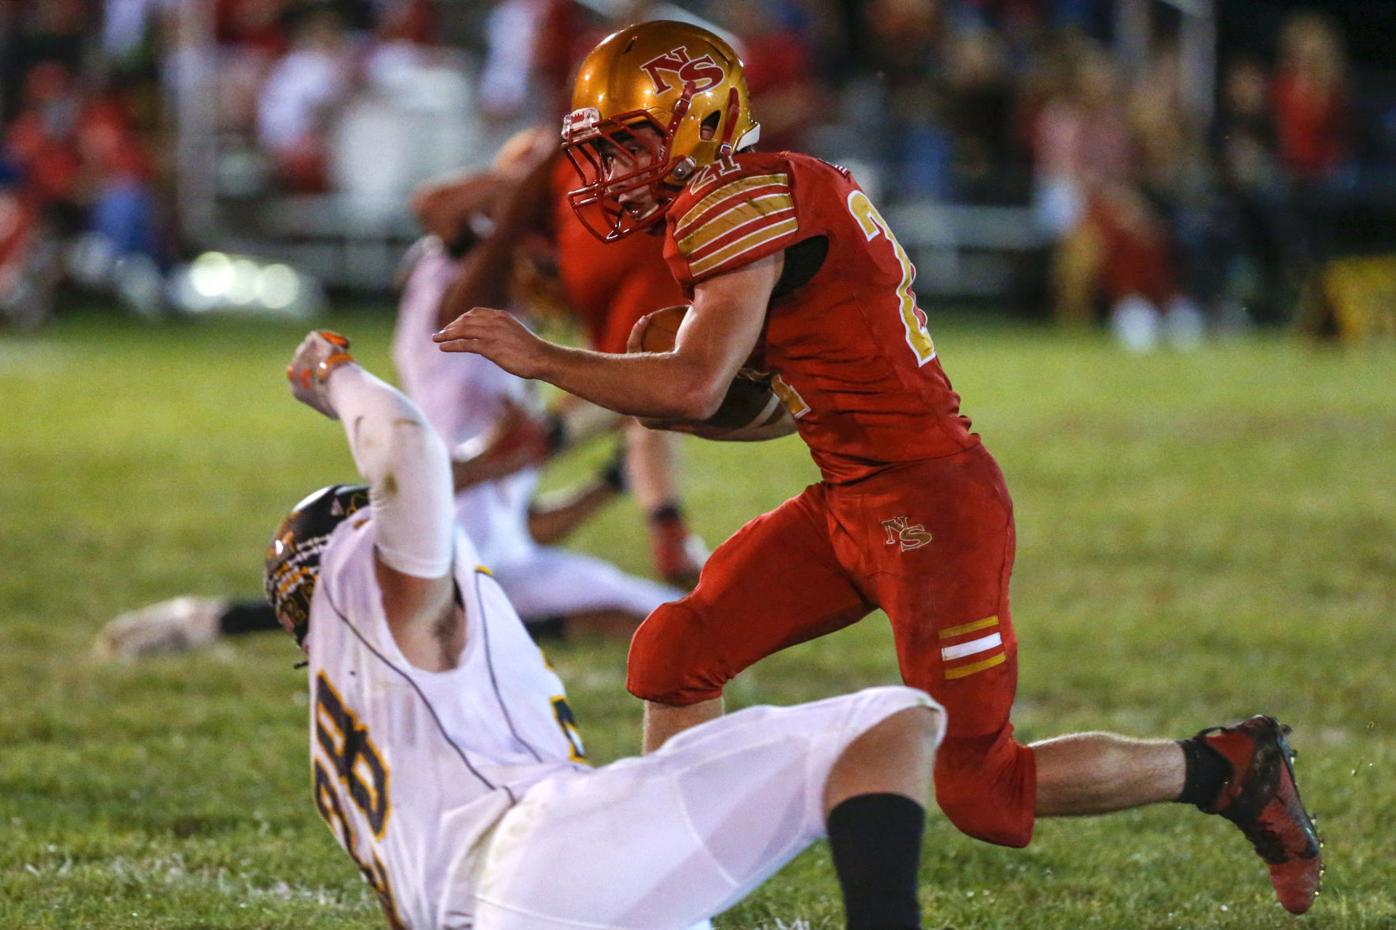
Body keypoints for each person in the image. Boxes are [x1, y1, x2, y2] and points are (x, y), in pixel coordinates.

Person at [433, 19, 1323, 914]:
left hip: (933, 508)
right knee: (676, 651)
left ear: (698, 121)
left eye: (631, 142)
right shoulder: (759, 192)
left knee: (983, 791)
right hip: (852, 498)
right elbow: (767, 409)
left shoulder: (735, 202)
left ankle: (1226, 768)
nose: (615, 169)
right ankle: (672, 893)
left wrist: (542, 357)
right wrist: (672, 393)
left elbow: (695, 386)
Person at [267, 328, 945, 930]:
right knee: (885, 723)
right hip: (540, 856)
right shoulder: (378, 592)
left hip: (508, 901)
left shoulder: (350, 727)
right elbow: (409, 451)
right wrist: (334, 375)